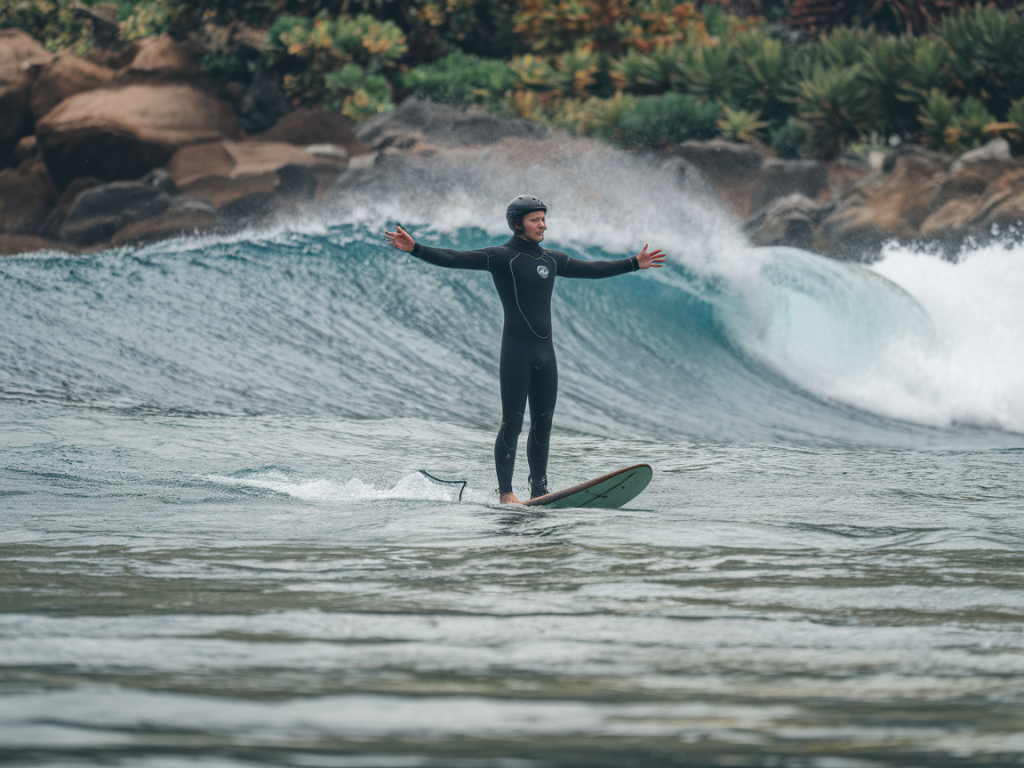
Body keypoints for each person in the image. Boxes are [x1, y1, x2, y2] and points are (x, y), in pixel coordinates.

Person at [384, 195, 665, 504]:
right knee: (513, 421)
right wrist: (416, 249)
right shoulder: (502, 257)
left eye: (543, 218)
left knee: (543, 421)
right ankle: (506, 493)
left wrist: (634, 264)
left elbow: (591, 268)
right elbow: (456, 257)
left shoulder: (552, 259)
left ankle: (539, 490)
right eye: (535, 219)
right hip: (516, 352)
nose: (542, 224)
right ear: (518, 224)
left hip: (546, 354)